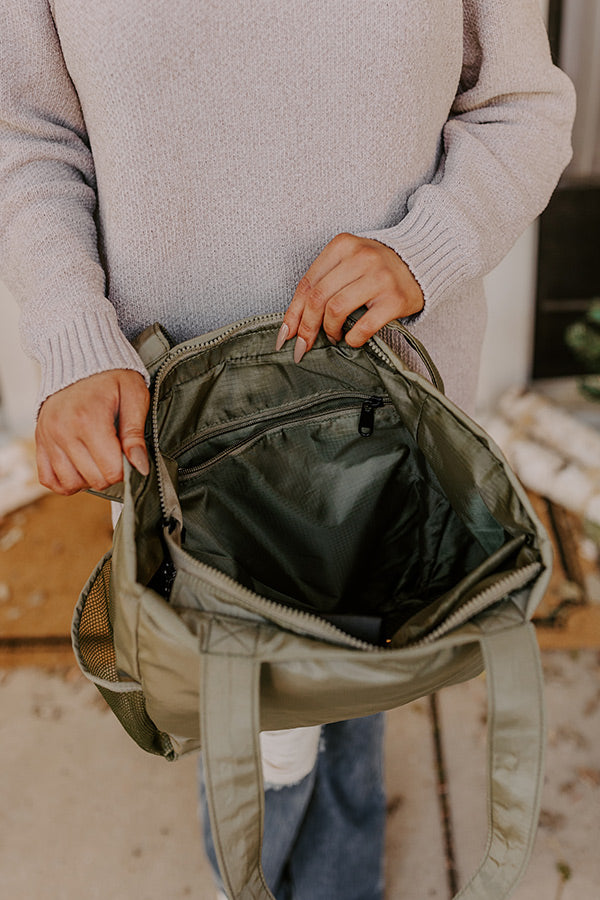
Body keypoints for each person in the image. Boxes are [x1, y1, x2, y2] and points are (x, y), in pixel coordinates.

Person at [0, 2, 574, 898]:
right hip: (180, 431)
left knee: (358, 668)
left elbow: (523, 106)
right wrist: (76, 334)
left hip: (391, 415)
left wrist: (423, 248)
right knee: (246, 716)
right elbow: (28, 130)